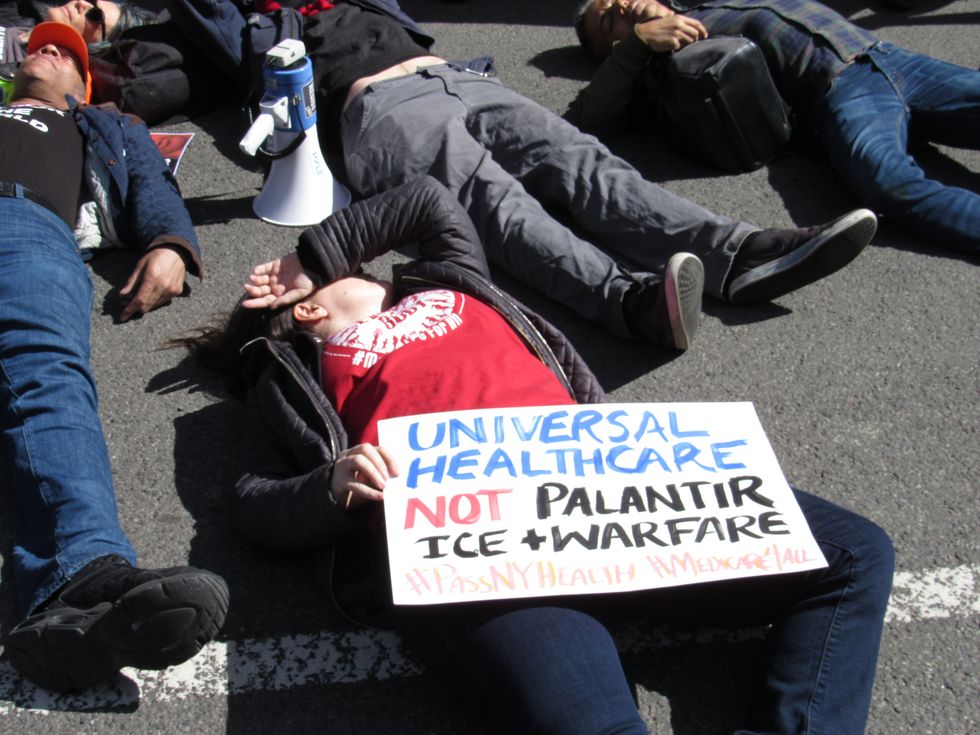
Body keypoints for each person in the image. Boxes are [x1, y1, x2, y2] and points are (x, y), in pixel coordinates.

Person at [178, 175, 894, 734]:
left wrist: (311, 254)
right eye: (344, 269)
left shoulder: (450, 275)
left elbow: (425, 200)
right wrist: (332, 486)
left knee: (854, 554)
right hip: (473, 543)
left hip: (608, 485)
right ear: (306, 309)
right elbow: (251, 499)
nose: (365, 260)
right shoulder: (291, 376)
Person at [164, 0, 878, 352]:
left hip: (458, 78)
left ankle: (740, 253)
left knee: (587, 165)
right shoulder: (257, 28)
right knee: (493, 204)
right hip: (376, 112)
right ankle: (628, 303)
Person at [0, 21, 228, 692]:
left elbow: (153, 182)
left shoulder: (101, 124)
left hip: (26, 231)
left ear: (84, 83)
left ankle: (82, 584)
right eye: (40, 43)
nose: (50, 50)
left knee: (46, 377)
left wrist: (170, 242)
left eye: (68, 52)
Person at [572, 0, 980, 252]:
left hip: (886, 55)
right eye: (609, 23)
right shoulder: (653, 70)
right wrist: (638, 44)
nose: (620, 8)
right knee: (888, 182)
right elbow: (590, 117)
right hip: (840, 95)